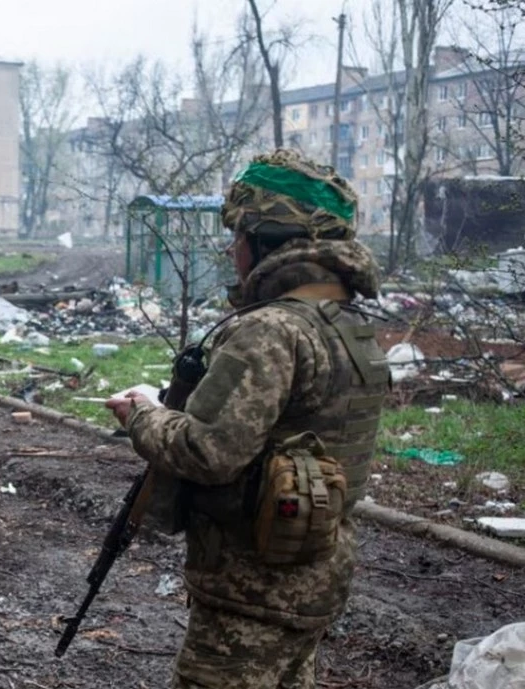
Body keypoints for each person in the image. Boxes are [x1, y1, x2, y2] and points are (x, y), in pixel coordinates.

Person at [107, 149, 389, 689]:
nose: (231, 248)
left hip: (252, 585)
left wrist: (141, 416)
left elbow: (207, 451)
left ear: (265, 239)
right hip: (313, 571)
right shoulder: (345, 324)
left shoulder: (270, 329)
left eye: (238, 233)